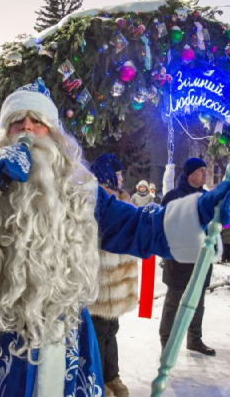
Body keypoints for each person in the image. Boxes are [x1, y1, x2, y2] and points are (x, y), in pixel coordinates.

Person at [0, 80, 230, 396]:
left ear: (54, 135)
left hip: (67, 340)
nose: (27, 128)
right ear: (4, 134)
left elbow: (138, 228)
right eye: (17, 122)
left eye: (38, 121)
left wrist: (199, 214)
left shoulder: (82, 194)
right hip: (0, 343)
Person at [88, 153, 136, 397]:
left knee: (111, 330)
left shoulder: (122, 199)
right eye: (117, 174)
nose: (121, 178)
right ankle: (96, 379)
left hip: (118, 279)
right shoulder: (94, 198)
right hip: (99, 277)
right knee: (97, 331)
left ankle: (111, 376)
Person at [159, 157, 217, 356]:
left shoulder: (207, 197)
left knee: (197, 303)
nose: (205, 174)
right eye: (201, 170)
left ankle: (194, 340)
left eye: (205, 170)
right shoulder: (173, 197)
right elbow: (162, 225)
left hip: (201, 259)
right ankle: (166, 341)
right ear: (189, 173)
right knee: (173, 303)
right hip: (178, 259)